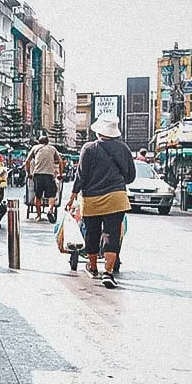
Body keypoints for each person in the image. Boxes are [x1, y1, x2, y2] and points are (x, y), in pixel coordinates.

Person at [65, 114, 135, 289]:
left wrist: (73, 195)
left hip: (92, 198)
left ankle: (93, 267)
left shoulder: (88, 148)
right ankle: (108, 272)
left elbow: (80, 175)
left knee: (92, 232)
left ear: (98, 132)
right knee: (112, 234)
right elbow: (131, 176)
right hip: (116, 197)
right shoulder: (124, 148)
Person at [26, 135, 63, 221]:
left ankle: (38, 216)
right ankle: (50, 210)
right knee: (52, 194)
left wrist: (29, 173)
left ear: (39, 142)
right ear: (47, 142)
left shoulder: (35, 148)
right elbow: (60, 161)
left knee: (38, 196)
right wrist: (60, 174)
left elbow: (27, 161)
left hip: (37, 175)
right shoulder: (52, 148)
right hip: (49, 175)